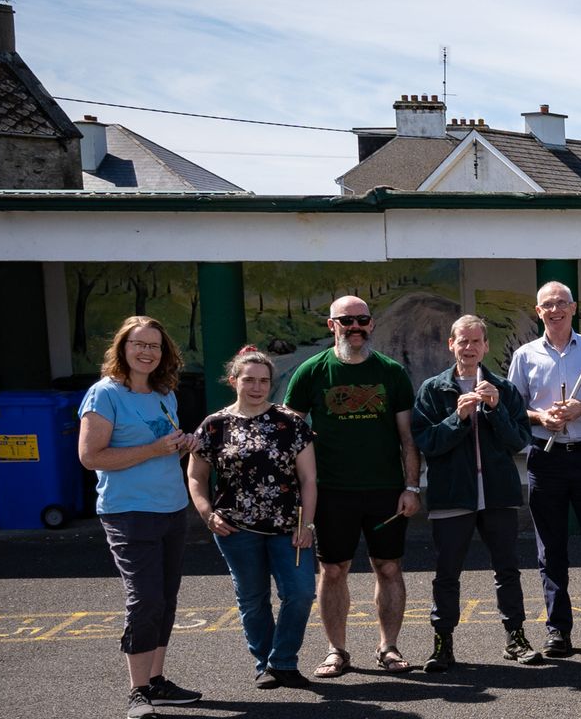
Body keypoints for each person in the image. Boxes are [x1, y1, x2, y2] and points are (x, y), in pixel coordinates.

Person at [286, 295, 422, 678]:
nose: (355, 327)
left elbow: (407, 438)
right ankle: (337, 651)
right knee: (333, 570)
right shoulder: (310, 372)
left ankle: (388, 647)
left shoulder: (391, 373)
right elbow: (290, 436)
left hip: (385, 490)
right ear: (332, 326)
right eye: (346, 321)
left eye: (361, 319)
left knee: (389, 567)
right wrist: (298, 494)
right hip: (330, 492)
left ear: (371, 324)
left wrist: (412, 486)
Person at [78, 316, 203, 719]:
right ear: (122, 348)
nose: (147, 351)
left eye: (155, 345)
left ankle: (157, 681)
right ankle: (137, 691)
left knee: (165, 599)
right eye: (138, 344)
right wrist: (153, 449)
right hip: (128, 511)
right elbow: (91, 457)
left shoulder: (164, 394)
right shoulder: (104, 394)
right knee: (145, 599)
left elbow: (163, 450)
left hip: (170, 508)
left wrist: (183, 446)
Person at [411, 315, 543, 674]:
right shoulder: (433, 389)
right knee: (447, 573)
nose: (469, 348)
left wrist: (497, 409)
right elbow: (427, 443)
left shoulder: (503, 388)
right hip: (453, 494)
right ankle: (443, 643)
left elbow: (520, 441)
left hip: (498, 494)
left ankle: (515, 637)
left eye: (475, 342)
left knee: (507, 570)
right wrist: (459, 419)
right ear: (450, 345)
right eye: (462, 342)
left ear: (486, 346)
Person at [187, 347, 317, 689]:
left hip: (288, 527)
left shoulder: (290, 423)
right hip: (235, 527)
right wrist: (206, 513)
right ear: (234, 381)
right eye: (249, 380)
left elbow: (308, 480)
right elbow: (196, 477)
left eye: (264, 380)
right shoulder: (214, 426)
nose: (257, 387)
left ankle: (282, 660)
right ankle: (266, 663)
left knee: (301, 593)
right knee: (252, 598)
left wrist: (308, 524)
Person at [508, 280, 581, 657]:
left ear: (573, 308)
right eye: (547, 304)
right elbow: (513, 411)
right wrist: (540, 417)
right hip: (545, 459)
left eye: (562, 303)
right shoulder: (525, 355)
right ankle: (558, 630)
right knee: (550, 550)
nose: (555, 309)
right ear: (538, 311)